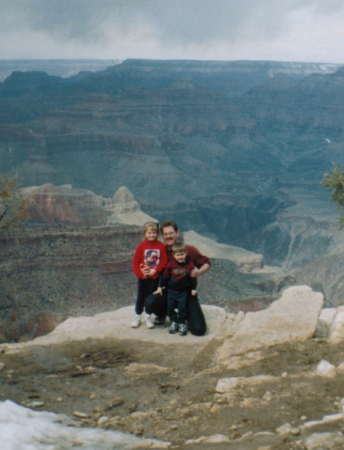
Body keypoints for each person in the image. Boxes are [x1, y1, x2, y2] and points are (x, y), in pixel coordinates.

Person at [145, 220, 210, 336]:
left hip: (187, 293)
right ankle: (163, 314)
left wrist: (198, 272)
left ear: (177, 233)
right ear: (162, 236)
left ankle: (185, 318)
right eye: (165, 234)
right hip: (169, 292)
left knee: (199, 330)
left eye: (171, 233)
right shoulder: (161, 251)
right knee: (150, 302)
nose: (168, 236)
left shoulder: (189, 250)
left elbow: (206, 262)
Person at [155, 242, 197, 336]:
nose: (180, 257)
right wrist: (160, 287)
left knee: (182, 308)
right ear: (174, 255)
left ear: (186, 253)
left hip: (183, 291)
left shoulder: (190, 265)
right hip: (172, 291)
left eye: (182, 254)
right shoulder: (171, 265)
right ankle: (174, 322)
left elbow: (193, 278)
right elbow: (165, 277)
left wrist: (193, 288)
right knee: (170, 307)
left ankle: (182, 323)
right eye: (178, 255)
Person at [131, 221, 167, 329]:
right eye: (149, 233)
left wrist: (155, 271)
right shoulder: (141, 246)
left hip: (154, 277)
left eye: (154, 232)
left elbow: (163, 262)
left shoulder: (161, 246)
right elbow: (135, 262)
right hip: (143, 278)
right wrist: (141, 274)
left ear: (158, 234)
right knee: (140, 296)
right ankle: (137, 316)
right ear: (144, 234)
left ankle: (148, 317)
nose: (152, 235)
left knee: (150, 297)